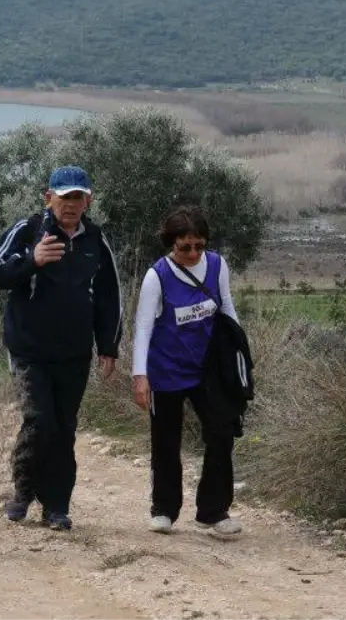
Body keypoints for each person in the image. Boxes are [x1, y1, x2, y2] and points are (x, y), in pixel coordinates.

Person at [0, 165, 121, 531]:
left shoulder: (96, 239)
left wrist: (108, 345)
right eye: (65, 197)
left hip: (74, 352)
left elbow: (110, 296)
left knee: (64, 427)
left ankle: (57, 505)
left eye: (78, 197)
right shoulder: (29, 230)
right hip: (29, 349)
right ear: (49, 198)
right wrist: (33, 260)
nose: (71, 205)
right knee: (39, 420)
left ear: (88, 200)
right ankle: (23, 493)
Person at [132, 206, 242, 539]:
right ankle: (163, 509)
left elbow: (226, 307)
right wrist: (140, 376)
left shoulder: (218, 265)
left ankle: (213, 511)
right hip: (166, 369)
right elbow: (143, 329)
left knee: (221, 433)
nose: (193, 253)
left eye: (199, 246)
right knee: (166, 440)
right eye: (185, 247)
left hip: (208, 369)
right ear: (171, 245)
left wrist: (241, 352)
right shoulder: (157, 276)